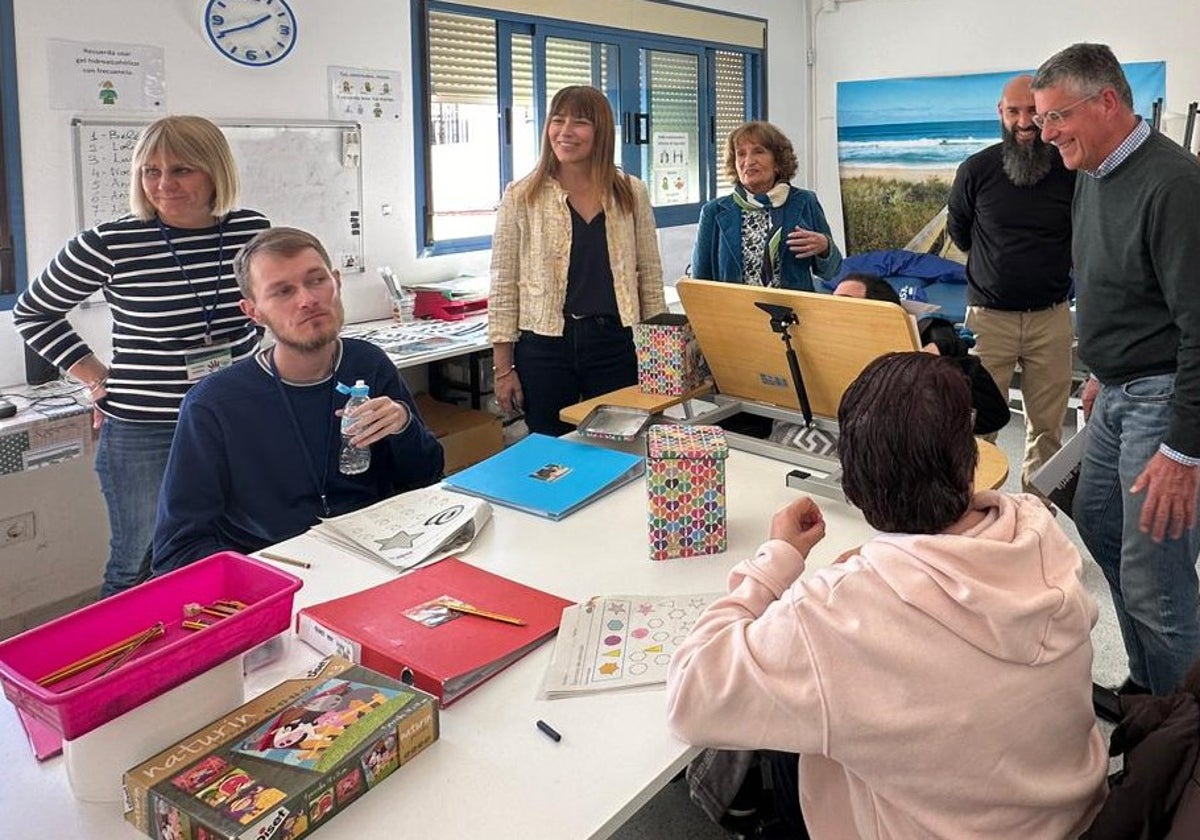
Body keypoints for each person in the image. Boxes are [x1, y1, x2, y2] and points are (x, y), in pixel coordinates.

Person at [666, 352, 1108, 839]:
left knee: (789, 732)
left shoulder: (835, 614)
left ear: (853, 486)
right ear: (972, 460)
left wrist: (773, 562)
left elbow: (690, 697)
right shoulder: (1038, 530)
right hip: (1072, 815)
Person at [12, 116, 270, 596]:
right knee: (139, 560)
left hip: (233, 419)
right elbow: (32, 313)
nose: (163, 185)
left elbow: (264, 308)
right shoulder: (110, 242)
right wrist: (96, 377)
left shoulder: (250, 231)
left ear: (216, 170)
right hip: (146, 427)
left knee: (236, 543)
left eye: (182, 170)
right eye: (151, 171)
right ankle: (126, 664)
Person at [1032, 43, 1200, 697]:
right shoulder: (1094, 174)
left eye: (1057, 118)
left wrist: (1183, 451)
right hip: (1117, 388)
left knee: (1157, 581)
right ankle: (1149, 685)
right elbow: (1110, 284)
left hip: (1164, 398)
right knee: (1098, 522)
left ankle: (1180, 748)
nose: (1046, 135)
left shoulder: (1174, 184)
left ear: (1107, 102)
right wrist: (1098, 367)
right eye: (1041, 121)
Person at [150, 227, 443, 575]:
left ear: (336, 282)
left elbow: (427, 475)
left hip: (380, 557)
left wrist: (404, 425)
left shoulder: (368, 363)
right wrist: (261, 579)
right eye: (283, 291)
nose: (307, 300)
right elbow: (177, 548)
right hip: (280, 574)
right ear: (253, 311)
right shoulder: (214, 404)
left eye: (316, 280)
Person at [488, 85, 667, 436]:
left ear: (601, 132)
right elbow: (504, 284)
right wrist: (503, 368)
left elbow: (649, 275)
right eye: (557, 120)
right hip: (543, 347)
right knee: (551, 450)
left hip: (614, 342)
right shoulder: (522, 195)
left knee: (620, 442)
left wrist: (659, 359)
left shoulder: (630, 192)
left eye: (580, 122)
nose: (565, 131)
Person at [947, 74, 1076, 499]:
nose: (1025, 121)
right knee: (977, 428)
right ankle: (977, 513)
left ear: (1047, 114)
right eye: (1014, 111)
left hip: (1052, 320)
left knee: (1048, 431)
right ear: (999, 114)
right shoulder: (976, 170)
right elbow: (961, 234)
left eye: (1033, 112)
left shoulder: (1070, 171)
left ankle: (1038, 520)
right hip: (988, 321)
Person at [832, 272, 1010, 435]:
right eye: (832, 303)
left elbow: (993, 416)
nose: (834, 310)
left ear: (881, 313)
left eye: (845, 302)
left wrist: (946, 358)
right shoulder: (825, 346)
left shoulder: (928, 345)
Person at [692, 120, 841, 290]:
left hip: (791, 313)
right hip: (733, 313)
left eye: (758, 152)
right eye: (741, 154)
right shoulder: (714, 211)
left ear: (778, 162)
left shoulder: (804, 201)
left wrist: (825, 247)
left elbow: (832, 271)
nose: (748, 161)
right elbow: (699, 280)